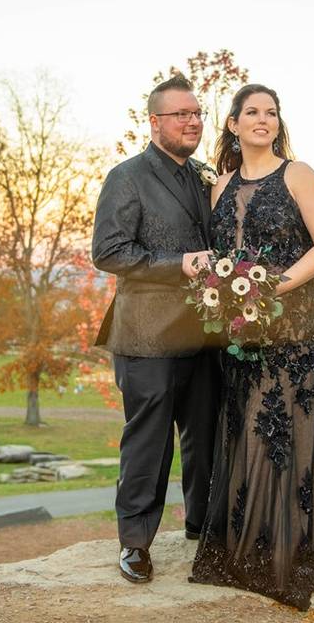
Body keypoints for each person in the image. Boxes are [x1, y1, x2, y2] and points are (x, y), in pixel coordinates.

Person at [188, 84, 314, 610]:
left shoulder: (299, 175)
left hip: (295, 318)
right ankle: (249, 545)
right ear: (233, 124)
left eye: (271, 113)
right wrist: (222, 294)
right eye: (252, 112)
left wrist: (275, 285)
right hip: (242, 325)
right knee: (243, 421)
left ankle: (295, 547)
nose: (263, 120)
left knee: (284, 423)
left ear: (279, 123)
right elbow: (222, 257)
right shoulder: (220, 187)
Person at [90, 75, 219, 584]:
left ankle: (202, 527)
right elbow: (109, 252)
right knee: (149, 443)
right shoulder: (127, 177)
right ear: (155, 122)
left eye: (196, 114)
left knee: (206, 436)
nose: (192, 122)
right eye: (180, 115)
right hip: (146, 335)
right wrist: (179, 264)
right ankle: (135, 544)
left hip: (205, 333)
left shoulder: (205, 178)